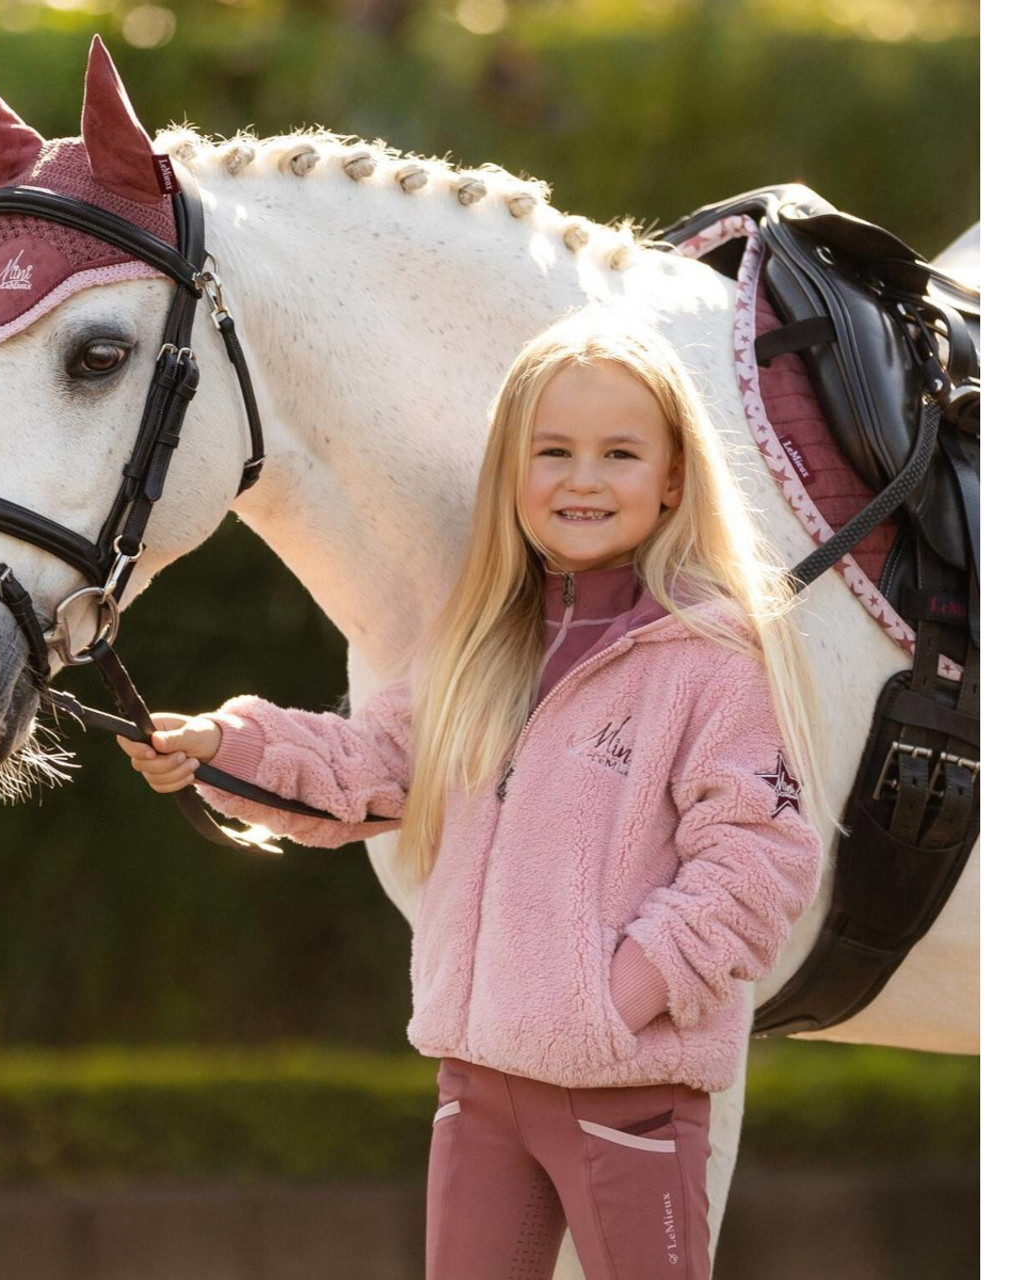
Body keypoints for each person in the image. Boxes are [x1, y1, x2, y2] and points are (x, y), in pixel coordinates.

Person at [116, 310, 830, 1280]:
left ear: (670, 479)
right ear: (510, 473)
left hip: (624, 1088)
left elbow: (757, 858)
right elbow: (370, 765)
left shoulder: (711, 659)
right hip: (477, 1081)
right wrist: (218, 745)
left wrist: (612, 997)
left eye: (618, 451)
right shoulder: (481, 643)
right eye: (553, 451)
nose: (582, 477)